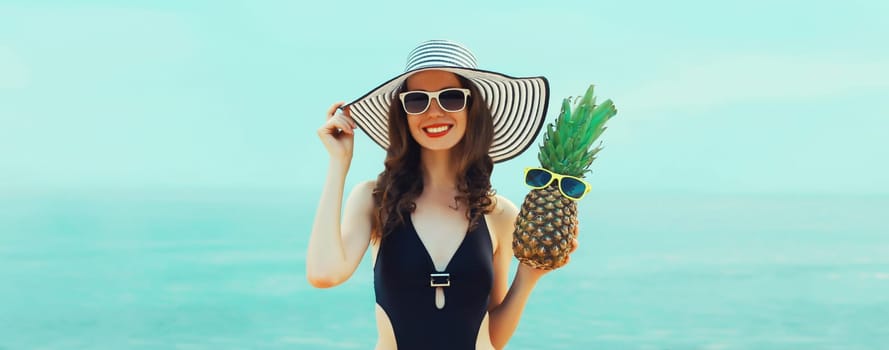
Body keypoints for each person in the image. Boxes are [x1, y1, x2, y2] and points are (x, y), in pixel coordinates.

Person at [307, 39, 577, 350]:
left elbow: (493, 337)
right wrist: (339, 163)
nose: (434, 112)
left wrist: (528, 278)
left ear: (472, 109)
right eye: (417, 101)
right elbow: (323, 274)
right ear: (404, 114)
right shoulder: (374, 199)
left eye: (450, 98)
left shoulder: (499, 213)